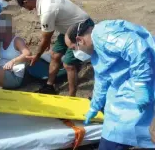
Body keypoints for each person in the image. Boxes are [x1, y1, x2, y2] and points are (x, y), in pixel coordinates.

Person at [65, 19, 155, 149]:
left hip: (147, 78)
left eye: (74, 49)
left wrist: (141, 84)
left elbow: (136, 48)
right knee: (116, 126)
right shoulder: (96, 52)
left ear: (79, 40)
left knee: (142, 127)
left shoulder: (103, 35)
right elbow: (102, 80)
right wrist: (94, 106)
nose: (76, 53)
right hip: (127, 85)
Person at [14, 0, 93, 96]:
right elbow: (48, 34)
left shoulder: (47, 11)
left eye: (23, 6)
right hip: (68, 28)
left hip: (82, 28)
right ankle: (49, 86)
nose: (25, 9)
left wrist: (37, 56)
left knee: (68, 64)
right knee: (55, 55)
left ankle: (71, 96)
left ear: (26, 1)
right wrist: (47, 41)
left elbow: (45, 38)